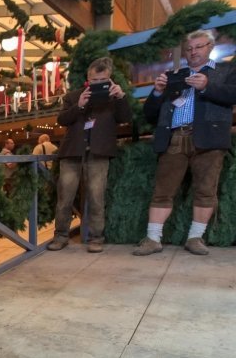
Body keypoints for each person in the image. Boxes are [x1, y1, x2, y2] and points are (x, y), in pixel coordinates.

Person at [133, 30, 236, 256]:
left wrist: (207, 86)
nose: (193, 52)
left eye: (199, 47)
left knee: (205, 190)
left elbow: (233, 95)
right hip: (173, 138)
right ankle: (152, 239)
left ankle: (195, 238)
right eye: (189, 48)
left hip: (209, 138)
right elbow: (150, 114)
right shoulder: (173, 75)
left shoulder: (226, 70)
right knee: (163, 190)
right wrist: (158, 92)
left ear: (210, 46)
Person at [47, 57, 132, 253]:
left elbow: (125, 119)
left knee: (96, 197)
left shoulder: (114, 99)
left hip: (99, 153)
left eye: (102, 81)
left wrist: (121, 97)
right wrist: (80, 105)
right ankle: (60, 236)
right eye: (94, 81)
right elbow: (62, 119)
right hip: (72, 153)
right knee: (65, 197)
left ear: (109, 79)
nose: (97, 84)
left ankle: (96, 238)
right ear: (88, 78)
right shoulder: (73, 96)